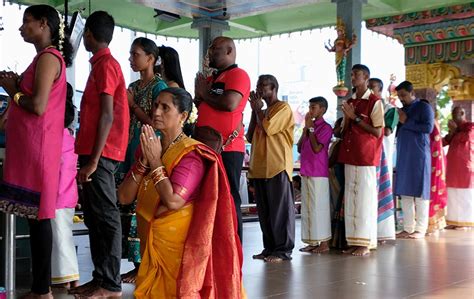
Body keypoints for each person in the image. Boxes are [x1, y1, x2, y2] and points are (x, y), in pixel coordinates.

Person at [117, 87, 244, 298]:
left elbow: (174, 200)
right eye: (156, 105)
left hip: (179, 254)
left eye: (165, 107)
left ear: (183, 116)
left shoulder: (191, 155)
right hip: (151, 245)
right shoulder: (150, 148)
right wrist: (144, 161)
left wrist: (156, 162)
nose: (156, 112)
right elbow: (124, 197)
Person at [0, 4, 72, 298]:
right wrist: (17, 85)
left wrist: (12, 90)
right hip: (31, 147)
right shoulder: (42, 59)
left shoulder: (48, 58)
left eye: (26, 22)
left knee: (40, 218)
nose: (21, 28)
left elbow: (38, 105)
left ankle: (42, 290)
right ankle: (41, 288)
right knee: (35, 217)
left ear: (44, 24)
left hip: (38, 149)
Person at [71, 11, 129, 298]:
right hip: (95, 152)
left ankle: (111, 284)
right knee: (95, 217)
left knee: (106, 216)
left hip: (101, 154)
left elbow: (107, 116)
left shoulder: (106, 65)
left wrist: (94, 161)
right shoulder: (101, 65)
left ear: (90, 35)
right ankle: (100, 278)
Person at [119, 37, 168, 284]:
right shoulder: (133, 86)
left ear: (150, 58)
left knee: (143, 207)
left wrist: (133, 106)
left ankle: (143, 266)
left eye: (135, 54)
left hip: (148, 151)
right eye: (130, 54)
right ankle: (136, 265)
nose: (131, 59)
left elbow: (157, 122)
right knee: (128, 207)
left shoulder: (159, 88)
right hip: (130, 150)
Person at [194, 36, 250, 241]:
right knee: (209, 198)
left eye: (215, 49)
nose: (210, 53)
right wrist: (200, 91)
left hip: (228, 148)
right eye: (209, 49)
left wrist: (204, 93)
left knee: (228, 198)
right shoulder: (212, 79)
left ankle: (234, 245)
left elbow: (229, 103)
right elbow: (200, 103)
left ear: (229, 51)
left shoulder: (238, 75)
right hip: (207, 145)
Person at [247, 74, 295, 263]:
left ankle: (283, 251)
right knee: (265, 212)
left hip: (277, 166)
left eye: (263, 86)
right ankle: (269, 249)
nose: (259, 90)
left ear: (274, 88)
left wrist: (259, 111)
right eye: (258, 86)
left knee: (279, 211)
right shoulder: (261, 111)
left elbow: (268, 128)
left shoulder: (283, 108)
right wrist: (254, 112)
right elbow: (250, 136)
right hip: (259, 167)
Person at [337, 64, 384, 256]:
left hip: (366, 155)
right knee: (352, 198)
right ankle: (354, 241)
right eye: (351, 74)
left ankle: (365, 243)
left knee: (365, 198)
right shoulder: (351, 101)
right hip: (350, 153)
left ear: (366, 77)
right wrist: (346, 119)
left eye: (356, 74)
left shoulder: (374, 102)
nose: (352, 77)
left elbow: (377, 131)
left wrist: (354, 118)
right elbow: (344, 130)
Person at [394, 80, 434, 239]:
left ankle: (420, 229)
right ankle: (408, 228)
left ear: (412, 93)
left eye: (403, 95)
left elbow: (428, 128)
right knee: (405, 192)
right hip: (404, 155)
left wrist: (406, 121)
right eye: (399, 96)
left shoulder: (423, 107)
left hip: (419, 156)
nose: (401, 98)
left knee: (420, 192)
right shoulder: (401, 110)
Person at [51, 83, 80, 289]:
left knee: (60, 237)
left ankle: (70, 278)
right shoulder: (69, 139)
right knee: (64, 235)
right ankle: (68, 278)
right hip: (68, 196)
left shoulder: (55, 139)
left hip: (57, 196)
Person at [297, 96, 332, 253]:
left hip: (318, 171)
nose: (310, 110)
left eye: (314, 107)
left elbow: (317, 148)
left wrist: (310, 129)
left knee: (320, 207)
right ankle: (312, 241)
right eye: (310, 107)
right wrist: (306, 129)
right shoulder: (309, 126)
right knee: (308, 208)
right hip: (306, 170)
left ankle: (324, 242)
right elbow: (299, 148)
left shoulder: (325, 127)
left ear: (322, 109)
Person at [368, 78, 397, 242]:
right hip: (368, 155)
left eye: (373, 88)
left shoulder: (390, 109)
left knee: (383, 191)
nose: (370, 91)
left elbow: (386, 131)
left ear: (380, 90)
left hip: (383, 155)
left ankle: (383, 233)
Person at [444, 106, 474, 229]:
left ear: (462, 113)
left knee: (465, 194)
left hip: (465, 167)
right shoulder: (455, 130)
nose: (452, 116)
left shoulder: (470, 127)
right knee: (452, 193)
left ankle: (465, 222)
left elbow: (466, 138)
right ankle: (453, 221)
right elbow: (445, 141)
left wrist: (455, 130)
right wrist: (452, 132)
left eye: (455, 114)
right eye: (452, 113)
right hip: (452, 166)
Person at [427, 114, 447, 234]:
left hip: (433, 161)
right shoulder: (434, 122)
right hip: (435, 160)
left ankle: (432, 223)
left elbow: (433, 143)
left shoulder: (431, 123)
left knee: (432, 189)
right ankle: (434, 223)